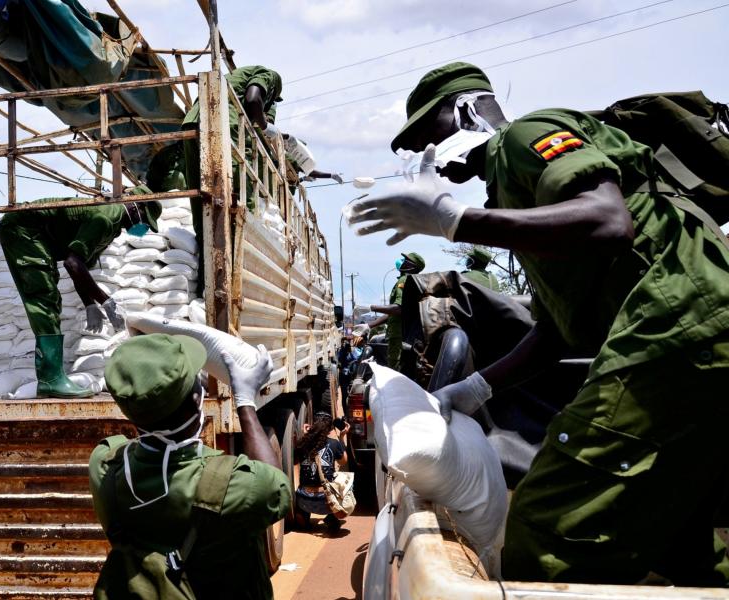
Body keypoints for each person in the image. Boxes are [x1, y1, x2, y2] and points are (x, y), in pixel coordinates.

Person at [350, 61, 729, 585]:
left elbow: (608, 221)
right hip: (694, 337)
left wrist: (457, 221)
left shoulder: (524, 137)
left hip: (680, 330)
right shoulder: (514, 196)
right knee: (681, 543)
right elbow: (556, 328)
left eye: (427, 135)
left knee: (546, 528)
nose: (427, 158)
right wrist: (478, 387)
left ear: (462, 110)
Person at [89, 333, 290, 599]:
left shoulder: (106, 466)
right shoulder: (229, 484)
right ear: (197, 402)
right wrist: (246, 403)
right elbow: (278, 486)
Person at [0, 189, 161, 398]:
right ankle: (50, 379)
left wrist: (89, 304)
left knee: (49, 296)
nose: (143, 229)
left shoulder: (111, 228)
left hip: (38, 235)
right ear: (136, 207)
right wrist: (106, 302)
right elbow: (72, 264)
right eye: (145, 222)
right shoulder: (105, 217)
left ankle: (52, 377)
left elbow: (80, 267)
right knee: (42, 295)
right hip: (23, 229)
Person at [148, 65, 283, 293]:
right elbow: (253, 100)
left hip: (195, 123)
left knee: (204, 209)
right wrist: (265, 125)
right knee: (237, 206)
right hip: (223, 126)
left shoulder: (233, 80)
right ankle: (226, 284)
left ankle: (205, 287)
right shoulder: (271, 76)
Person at [366, 252, 426, 369]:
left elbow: (398, 309)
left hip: (399, 334)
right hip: (402, 333)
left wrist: (372, 307)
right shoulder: (410, 280)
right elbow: (393, 314)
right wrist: (369, 325)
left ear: (412, 266)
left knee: (394, 366)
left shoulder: (404, 281)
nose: (402, 262)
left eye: (406, 260)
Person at [293, 412, 349, 532]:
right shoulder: (334, 444)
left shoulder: (303, 444)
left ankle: (302, 514)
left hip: (304, 499)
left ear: (313, 425)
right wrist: (342, 437)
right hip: (327, 501)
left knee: (305, 482)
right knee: (346, 480)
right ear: (330, 429)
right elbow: (344, 461)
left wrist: (304, 435)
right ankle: (333, 516)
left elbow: (294, 462)